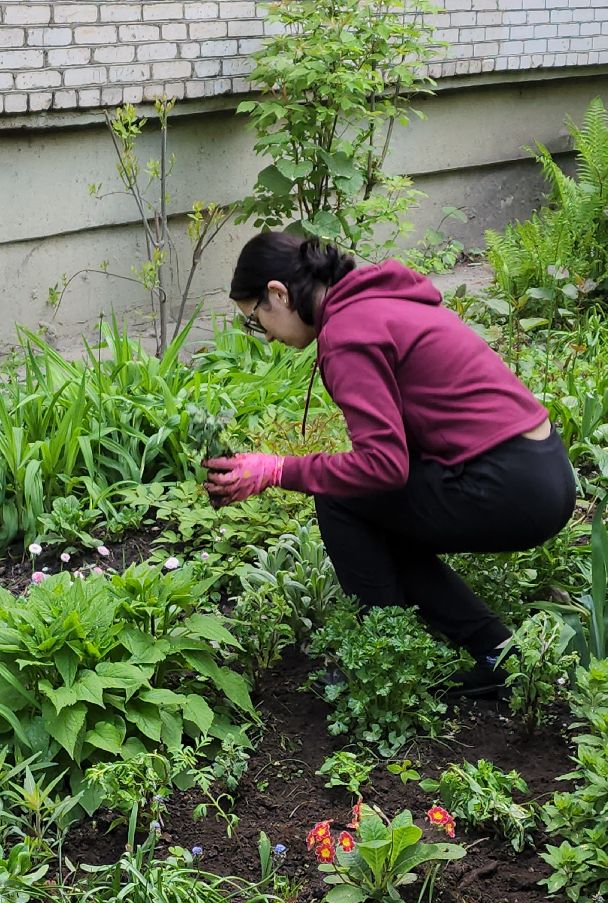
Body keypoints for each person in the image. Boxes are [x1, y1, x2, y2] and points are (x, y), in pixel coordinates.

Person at [204, 231, 576, 697]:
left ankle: (385, 660)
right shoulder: (379, 299)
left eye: (255, 320)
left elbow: (382, 466)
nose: (265, 336)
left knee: (342, 498)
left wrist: (278, 469)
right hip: (544, 470)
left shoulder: (348, 333)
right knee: (377, 515)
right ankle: (499, 656)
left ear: (278, 293)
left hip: (506, 484)